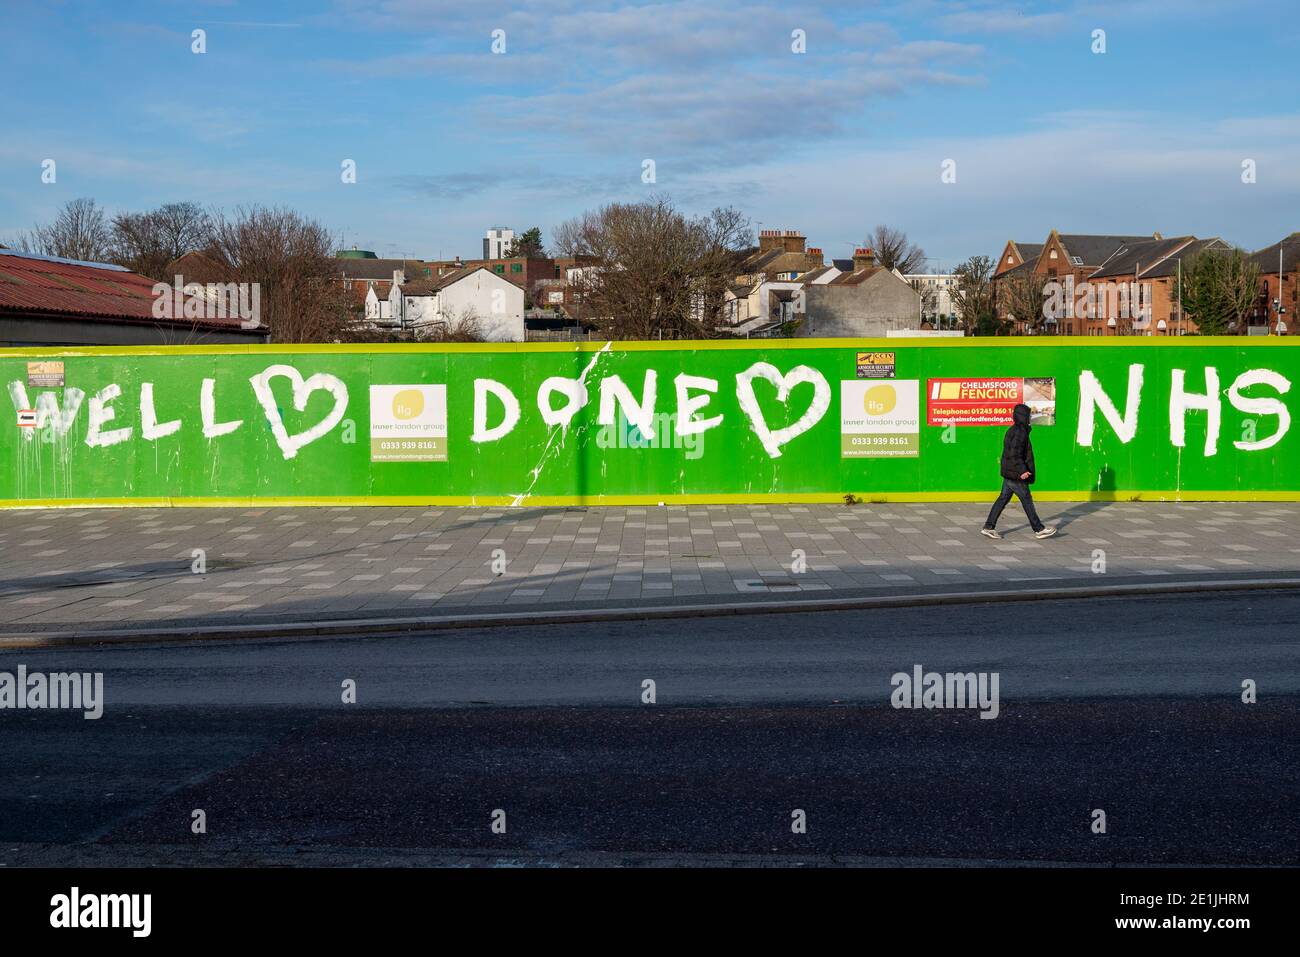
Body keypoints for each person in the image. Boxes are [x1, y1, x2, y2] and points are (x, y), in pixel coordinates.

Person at [981, 403, 1056, 540]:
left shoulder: (1013, 429)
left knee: (1003, 498)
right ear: (1023, 416)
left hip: (1010, 472)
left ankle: (988, 527)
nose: (1030, 418)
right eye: (1028, 415)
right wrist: (1022, 470)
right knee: (1026, 499)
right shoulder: (1020, 432)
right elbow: (1015, 453)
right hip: (1015, 474)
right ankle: (1039, 529)